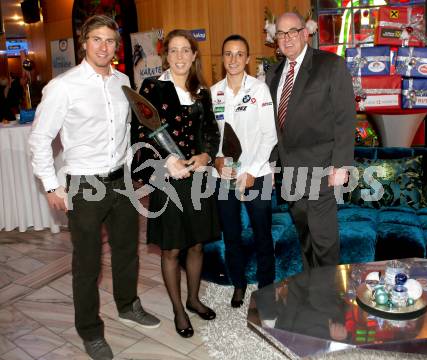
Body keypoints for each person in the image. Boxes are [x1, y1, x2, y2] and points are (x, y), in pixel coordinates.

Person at [29, 15, 160, 360]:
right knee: (87, 263)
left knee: (127, 251)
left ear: (117, 47)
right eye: (97, 40)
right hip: (84, 185)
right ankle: (89, 330)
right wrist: (51, 185)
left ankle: (128, 305)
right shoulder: (64, 86)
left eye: (110, 41)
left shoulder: (122, 81)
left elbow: (125, 133)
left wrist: (133, 174)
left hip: (122, 182)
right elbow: (40, 139)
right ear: (84, 42)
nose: (104, 47)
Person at [132, 29, 220, 338]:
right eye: (174, 50)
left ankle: (194, 299)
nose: (180, 56)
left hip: (196, 179)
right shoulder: (152, 88)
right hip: (167, 180)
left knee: (196, 244)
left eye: (186, 50)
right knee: (171, 249)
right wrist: (166, 162)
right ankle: (178, 309)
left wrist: (206, 155)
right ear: (166, 55)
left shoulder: (202, 92)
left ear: (195, 55)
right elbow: (140, 134)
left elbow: (211, 131)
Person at [265, 12, 355, 271]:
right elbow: (272, 126)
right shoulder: (273, 74)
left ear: (306, 33)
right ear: (276, 40)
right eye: (281, 33)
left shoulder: (330, 65)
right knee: (304, 236)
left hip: (323, 169)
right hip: (290, 172)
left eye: (293, 31)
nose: (287, 37)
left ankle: (329, 303)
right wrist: (271, 165)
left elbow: (345, 117)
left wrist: (341, 165)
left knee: (324, 241)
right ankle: (314, 287)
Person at [211, 35, 277, 307]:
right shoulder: (213, 92)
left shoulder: (259, 90)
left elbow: (269, 135)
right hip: (224, 177)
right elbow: (211, 136)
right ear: (222, 58)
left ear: (248, 59)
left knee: (262, 235)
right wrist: (216, 160)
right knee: (232, 235)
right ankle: (238, 284)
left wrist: (250, 171)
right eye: (228, 54)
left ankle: (266, 287)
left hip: (257, 175)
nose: (234, 59)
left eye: (240, 54)